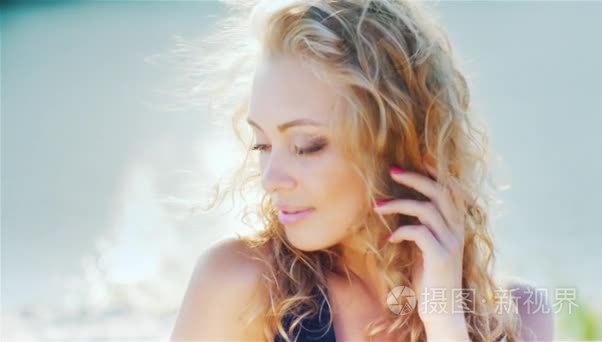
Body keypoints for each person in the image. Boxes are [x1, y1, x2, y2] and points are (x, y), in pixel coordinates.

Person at [169, 0, 555, 340]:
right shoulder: (241, 287)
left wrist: (446, 323)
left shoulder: (520, 317)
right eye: (263, 145)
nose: (271, 179)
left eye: (307, 146)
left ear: (398, 141)